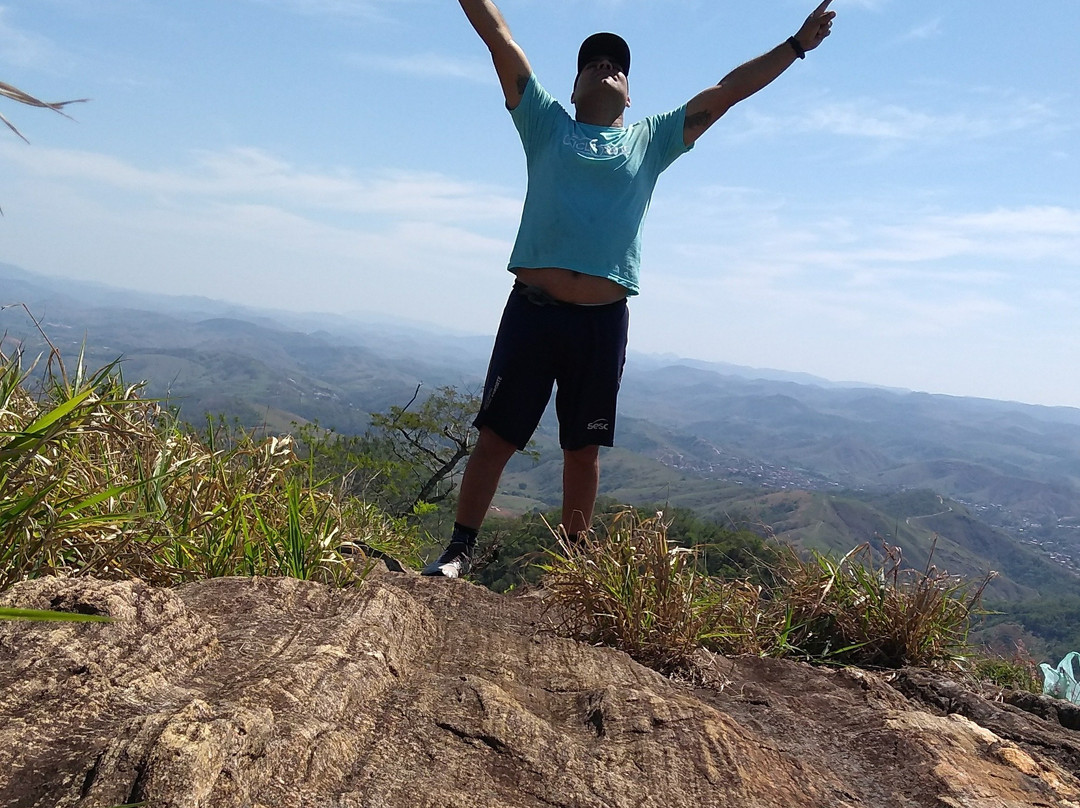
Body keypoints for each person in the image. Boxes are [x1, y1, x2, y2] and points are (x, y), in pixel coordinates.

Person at [423, 0, 836, 577]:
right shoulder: (544, 124)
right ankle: (458, 552)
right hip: (532, 312)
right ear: (570, 89)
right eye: (591, 62)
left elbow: (728, 91)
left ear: (630, 94)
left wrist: (795, 46)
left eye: (617, 65)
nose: (605, 67)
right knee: (496, 436)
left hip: (600, 319)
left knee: (582, 449)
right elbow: (499, 37)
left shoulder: (651, 140)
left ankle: (572, 569)